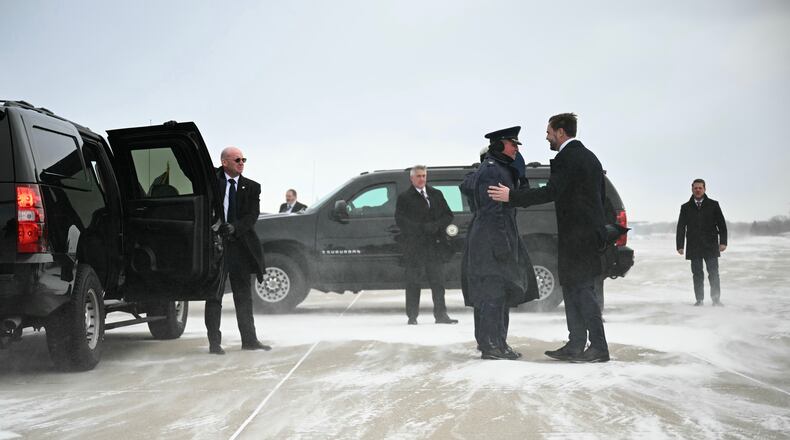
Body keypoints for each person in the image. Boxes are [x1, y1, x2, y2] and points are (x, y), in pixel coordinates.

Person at [488, 113, 610, 363]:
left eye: (549, 132)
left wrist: (512, 196)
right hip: (583, 235)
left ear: (561, 132)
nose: (547, 136)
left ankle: (598, 346)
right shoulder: (590, 157)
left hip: (579, 237)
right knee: (574, 289)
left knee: (583, 292)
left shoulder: (569, 158)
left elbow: (552, 192)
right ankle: (576, 343)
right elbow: (600, 197)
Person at [460, 126, 539, 360]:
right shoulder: (493, 171)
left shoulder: (501, 169)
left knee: (500, 293)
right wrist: (503, 248)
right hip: (491, 242)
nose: (517, 148)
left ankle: (498, 343)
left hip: (497, 238)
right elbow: (493, 213)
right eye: (513, 144)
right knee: (492, 294)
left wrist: (520, 172)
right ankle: (491, 345)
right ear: (499, 145)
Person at [206, 146, 271, 355]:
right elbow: (188, 171)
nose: (241, 163)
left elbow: (252, 216)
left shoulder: (252, 187)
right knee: (214, 296)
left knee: (243, 296)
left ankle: (249, 340)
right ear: (224, 162)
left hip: (240, 246)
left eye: (243, 160)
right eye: (237, 160)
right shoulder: (211, 181)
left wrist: (234, 228)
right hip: (216, 247)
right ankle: (214, 343)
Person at [395, 165, 458, 325]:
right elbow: (400, 220)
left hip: (435, 247)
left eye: (424, 176)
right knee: (413, 283)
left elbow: (448, 215)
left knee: (438, 282)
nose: (422, 179)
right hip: (415, 248)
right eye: (418, 176)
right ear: (412, 178)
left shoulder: (436, 194)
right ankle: (412, 316)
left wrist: (436, 226)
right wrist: (421, 228)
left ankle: (441, 315)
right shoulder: (404, 198)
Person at [676, 178, 728, 306]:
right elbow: (681, 227)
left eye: (700, 188)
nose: (698, 190)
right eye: (695, 188)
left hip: (710, 245)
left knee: (714, 273)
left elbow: (722, 224)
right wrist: (680, 245)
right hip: (694, 245)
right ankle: (699, 300)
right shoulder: (686, 207)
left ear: (705, 189)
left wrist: (723, 242)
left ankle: (716, 299)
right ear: (692, 189)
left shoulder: (714, 205)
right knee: (697, 274)